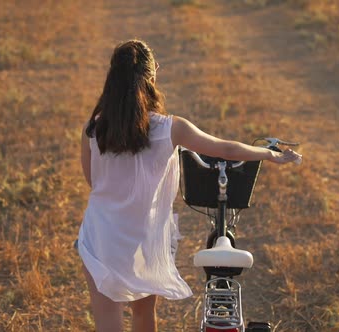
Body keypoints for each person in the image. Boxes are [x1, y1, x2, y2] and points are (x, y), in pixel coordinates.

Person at [77, 39, 301, 332]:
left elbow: (93, 180)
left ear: (112, 77)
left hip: (100, 236)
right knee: (144, 317)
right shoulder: (169, 128)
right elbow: (226, 149)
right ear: (153, 74)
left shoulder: (94, 128)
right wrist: (270, 153)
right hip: (143, 236)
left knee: (108, 323)